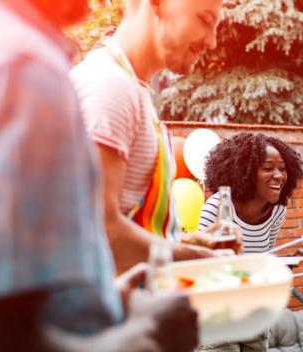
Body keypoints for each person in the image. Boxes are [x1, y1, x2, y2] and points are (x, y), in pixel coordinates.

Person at [0, 0, 200, 352]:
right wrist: (145, 341)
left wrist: (99, 302)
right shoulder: (17, 70)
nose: (210, 40)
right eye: (205, 19)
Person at [70, 0, 233, 274]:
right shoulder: (109, 87)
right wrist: (195, 260)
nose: (212, 41)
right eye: (206, 20)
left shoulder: (131, 88)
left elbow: (127, 224)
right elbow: (98, 231)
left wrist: (191, 243)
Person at [193, 133, 303, 352]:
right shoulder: (218, 209)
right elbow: (200, 269)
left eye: (283, 169)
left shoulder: (277, 210)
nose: (279, 175)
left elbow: (264, 255)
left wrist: (289, 261)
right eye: (268, 168)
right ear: (243, 172)